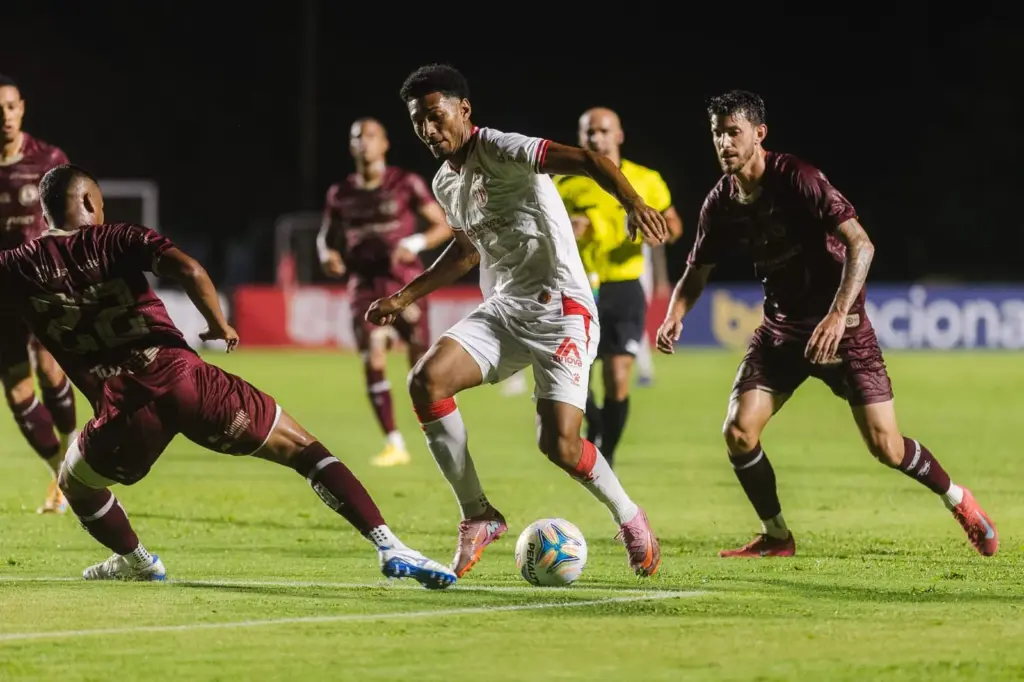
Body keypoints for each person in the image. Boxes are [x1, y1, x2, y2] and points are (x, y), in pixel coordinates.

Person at [0, 163, 457, 588]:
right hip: (185, 380)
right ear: (86, 204)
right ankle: (389, 545)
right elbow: (190, 270)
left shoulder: (17, 266)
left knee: (75, 482)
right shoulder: (115, 238)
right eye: (99, 202)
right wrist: (218, 324)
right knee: (304, 450)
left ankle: (138, 560)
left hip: (123, 410)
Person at [656, 90, 998, 558]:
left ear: (759, 134)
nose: (724, 143)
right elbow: (696, 273)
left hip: (845, 330)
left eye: (733, 132)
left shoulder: (798, 178)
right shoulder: (720, 203)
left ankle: (960, 501)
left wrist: (838, 314)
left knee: (887, 447)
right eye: (717, 134)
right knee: (738, 431)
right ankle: (777, 536)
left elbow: (862, 245)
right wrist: (675, 315)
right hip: (780, 332)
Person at [366, 64, 669, 579]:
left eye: (436, 117)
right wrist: (402, 296)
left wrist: (633, 203)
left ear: (464, 110)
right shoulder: (445, 181)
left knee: (560, 445)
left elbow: (591, 160)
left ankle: (629, 516)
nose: (428, 130)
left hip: (563, 310)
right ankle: (477, 514)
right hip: (505, 309)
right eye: (418, 121)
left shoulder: (505, 148)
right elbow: (465, 253)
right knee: (426, 380)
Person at [317, 118, 453, 467]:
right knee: (373, 356)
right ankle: (394, 443)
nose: (364, 142)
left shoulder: (405, 183)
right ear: (351, 147)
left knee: (423, 366)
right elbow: (326, 237)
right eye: (357, 137)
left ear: (385, 143)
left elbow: (442, 225)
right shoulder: (340, 194)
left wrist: (417, 241)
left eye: (371, 136)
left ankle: (436, 432)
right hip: (363, 287)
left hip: (406, 284)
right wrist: (327, 255)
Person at [555, 107, 682, 464]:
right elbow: (544, 232)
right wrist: (568, 229)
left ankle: (605, 456)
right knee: (574, 377)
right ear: (580, 138)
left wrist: (653, 230)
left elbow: (675, 226)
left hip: (624, 287)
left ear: (619, 135)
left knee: (618, 376)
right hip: (579, 288)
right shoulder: (563, 183)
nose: (596, 137)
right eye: (589, 132)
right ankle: (594, 424)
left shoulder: (646, 180)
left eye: (603, 131)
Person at [0, 74, 78, 513]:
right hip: (0, 296)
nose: (4, 117)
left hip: (43, 286)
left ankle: (73, 454)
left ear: (22, 108)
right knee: (16, 391)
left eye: (10, 107)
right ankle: (60, 473)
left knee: (51, 370)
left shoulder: (48, 159)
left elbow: (72, 217)